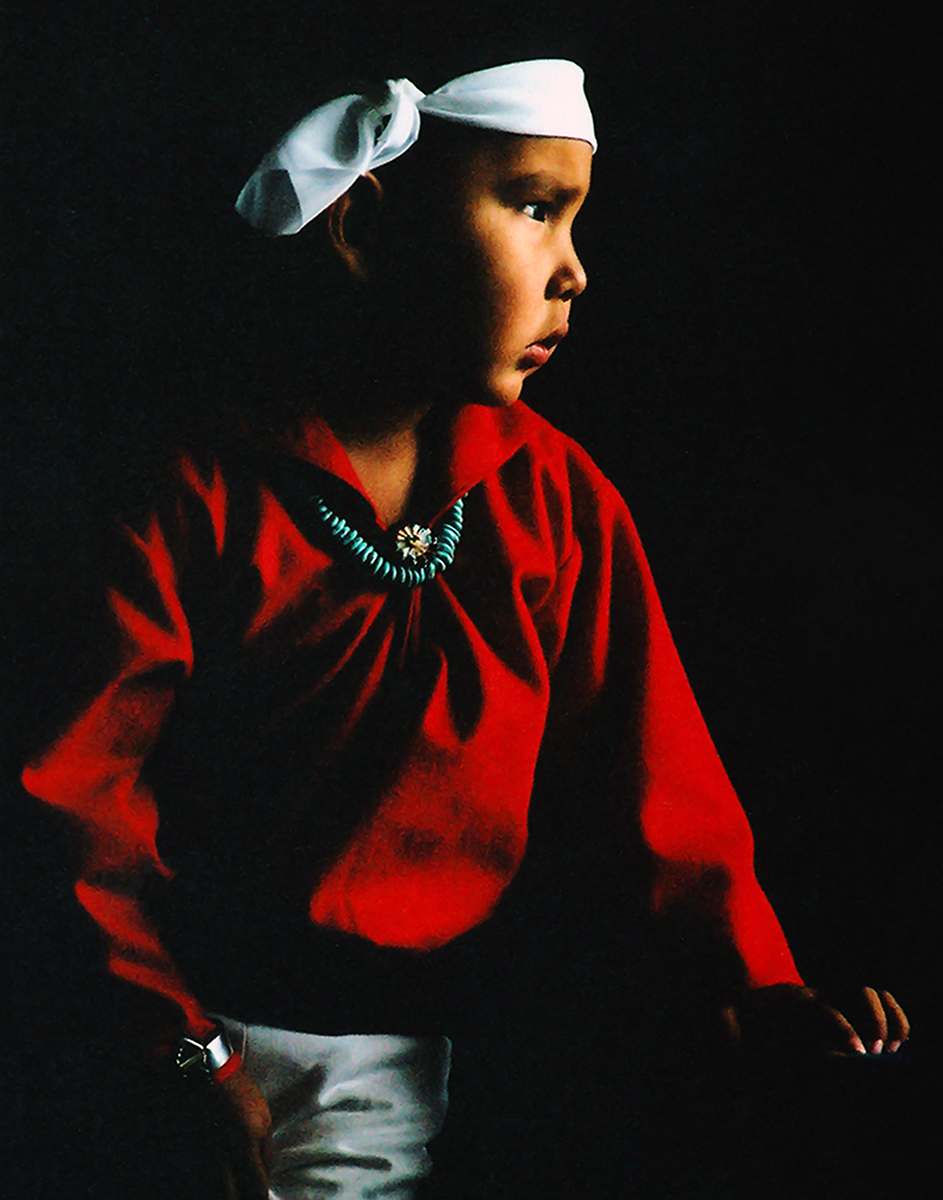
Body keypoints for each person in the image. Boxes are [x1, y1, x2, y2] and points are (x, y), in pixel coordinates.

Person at [17, 61, 908, 1199]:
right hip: (164, 1031)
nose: (572, 272)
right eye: (533, 208)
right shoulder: (189, 491)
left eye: (572, 221)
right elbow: (72, 799)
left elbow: (658, 782)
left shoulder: (553, 500)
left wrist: (759, 987)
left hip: (418, 1054)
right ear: (363, 224)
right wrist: (172, 1048)